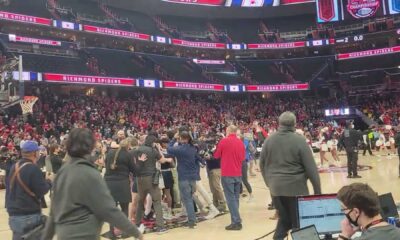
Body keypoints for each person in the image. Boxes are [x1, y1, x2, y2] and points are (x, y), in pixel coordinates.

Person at [42, 128, 143, 240]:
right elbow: (109, 210)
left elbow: (53, 213)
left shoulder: (62, 172)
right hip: (85, 234)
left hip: (64, 235)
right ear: (90, 147)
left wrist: (46, 237)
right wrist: (136, 232)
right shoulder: (90, 173)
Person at [259, 112, 321, 240]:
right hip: (296, 189)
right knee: (299, 223)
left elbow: (262, 164)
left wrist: (269, 183)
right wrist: (317, 193)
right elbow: (311, 169)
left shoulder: (269, 140)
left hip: (275, 190)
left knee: (284, 220)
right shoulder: (299, 140)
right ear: (294, 124)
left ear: (279, 123)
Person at [6, 141, 52, 240]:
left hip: (14, 214)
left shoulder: (15, 166)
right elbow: (42, 190)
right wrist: (49, 181)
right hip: (28, 214)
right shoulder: (33, 168)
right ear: (34, 153)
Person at [134, 135, 170, 234]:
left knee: (140, 202)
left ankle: (137, 224)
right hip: (151, 179)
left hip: (139, 179)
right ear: (153, 142)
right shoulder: (153, 150)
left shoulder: (138, 149)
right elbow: (162, 160)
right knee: (157, 201)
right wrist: (158, 149)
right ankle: (160, 227)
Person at [104, 138, 139, 239]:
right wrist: (139, 163)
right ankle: (124, 232)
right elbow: (135, 171)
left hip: (109, 183)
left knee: (111, 209)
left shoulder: (110, 153)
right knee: (124, 209)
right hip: (122, 183)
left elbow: (107, 166)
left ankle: (111, 232)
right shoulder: (128, 155)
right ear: (128, 146)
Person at [167, 131, 203, 228]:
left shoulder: (180, 149)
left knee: (187, 199)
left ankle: (192, 221)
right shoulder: (193, 148)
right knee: (189, 198)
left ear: (182, 138)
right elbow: (199, 159)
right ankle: (193, 218)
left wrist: (174, 138)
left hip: (184, 177)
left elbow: (168, 148)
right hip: (192, 177)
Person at [214, 125, 246, 231]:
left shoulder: (224, 141)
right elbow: (242, 158)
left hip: (227, 173)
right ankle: (235, 220)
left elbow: (216, 155)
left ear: (228, 131)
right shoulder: (240, 142)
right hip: (238, 173)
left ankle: (237, 221)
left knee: (230, 198)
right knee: (235, 198)